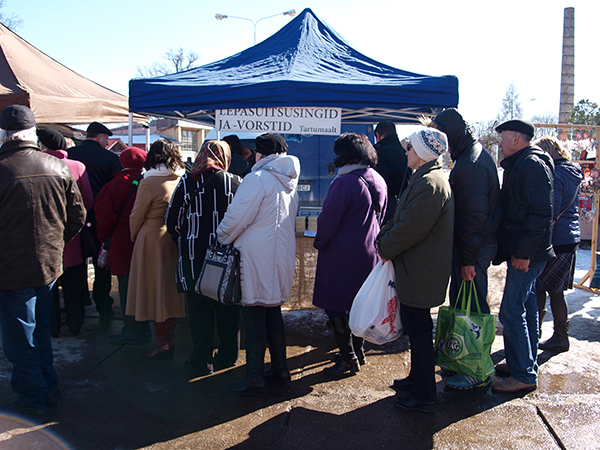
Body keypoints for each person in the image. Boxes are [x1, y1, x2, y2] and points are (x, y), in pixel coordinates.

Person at [0, 105, 86, 421]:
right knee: (38, 335)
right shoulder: (57, 167)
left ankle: (35, 396)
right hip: (48, 265)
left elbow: (77, 217)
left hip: (11, 271)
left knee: (21, 339)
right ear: (32, 133)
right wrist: (55, 243)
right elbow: (77, 217)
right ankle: (46, 389)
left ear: (5, 135)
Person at [421, 108, 502, 390]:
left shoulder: (472, 165)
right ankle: (465, 362)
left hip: (474, 252)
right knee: (465, 305)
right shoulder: (472, 158)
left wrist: (468, 259)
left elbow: (473, 218)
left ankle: (475, 371)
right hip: (473, 249)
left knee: (473, 310)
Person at [377, 127, 453, 414]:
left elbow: (410, 228)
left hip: (421, 270)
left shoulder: (430, 183)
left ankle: (425, 393)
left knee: (420, 331)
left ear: (422, 153)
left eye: (410, 148)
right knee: (416, 327)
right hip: (417, 267)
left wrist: (384, 246)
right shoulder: (424, 178)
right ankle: (417, 380)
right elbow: (404, 220)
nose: (405, 151)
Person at [217, 133, 300, 395]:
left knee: (254, 315)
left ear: (260, 154)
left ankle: (255, 376)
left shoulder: (257, 178)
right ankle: (280, 369)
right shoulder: (289, 181)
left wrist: (221, 237)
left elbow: (236, 217)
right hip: (279, 256)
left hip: (256, 257)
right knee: (272, 311)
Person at [312, 133, 387, 375]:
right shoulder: (377, 178)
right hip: (370, 253)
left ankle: (348, 358)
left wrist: (320, 242)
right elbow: (382, 216)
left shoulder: (344, 182)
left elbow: (327, 222)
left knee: (334, 305)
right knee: (359, 305)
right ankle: (358, 351)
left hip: (342, 256)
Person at [166, 140, 243, 376]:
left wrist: (189, 237)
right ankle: (229, 356)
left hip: (193, 257)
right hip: (227, 258)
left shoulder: (187, 182)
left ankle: (201, 361)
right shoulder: (237, 183)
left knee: (199, 314)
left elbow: (172, 222)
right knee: (228, 307)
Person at [491, 119, 554, 393]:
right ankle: (523, 364)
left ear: (517, 139)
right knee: (525, 308)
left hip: (527, 253)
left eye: (503, 137)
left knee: (511, 311)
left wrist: (523, 252)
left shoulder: (531, 165)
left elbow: (541, 213)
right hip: (525, 251)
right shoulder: (524, 164)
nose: (501, 143)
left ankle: (523, 375)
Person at [126, 139, 186, 358]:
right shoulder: (182, 178)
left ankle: (162, 342)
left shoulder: (148, 181)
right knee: (171, 292)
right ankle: (169, 338)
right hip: (175, 239)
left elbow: (136, 215)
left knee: (154, 293)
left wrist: (135, 236)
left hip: (151, 239)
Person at [39, 129, 94, 337]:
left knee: (48, 287)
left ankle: (52, 327)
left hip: (44, 236)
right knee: (72, 282)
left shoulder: (36, 165)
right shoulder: (77, 167)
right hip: (72, 235)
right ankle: (74, 322)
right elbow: (87, 202)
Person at [94, 146, 152, 345]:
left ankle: (132, 329)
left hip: (121, 242)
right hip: (145, 241)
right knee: (142, 286)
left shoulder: (112, 187)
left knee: (126, 287)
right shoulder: (148, 183)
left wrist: (104, 239)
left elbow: (103, 218)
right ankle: (143, 325)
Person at [68, 122, 122, 320]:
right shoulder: (109, 158)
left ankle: (79, 305)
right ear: (100, 137)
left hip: (73, 217)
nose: (107, 143)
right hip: (101, 217)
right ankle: (103, 303)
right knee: (102, 263)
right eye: (106, 139)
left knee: (76, 263)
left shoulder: (69, 154)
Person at [534, 136, 582, 353]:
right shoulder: (573, 172)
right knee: (556, 291)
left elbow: (553, 207)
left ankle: (537, 334)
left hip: (555, 238)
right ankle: (560, 336)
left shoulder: (556, 173)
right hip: (570, 238)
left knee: (541, 288)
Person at [374, 120, 411, 223]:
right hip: (403, 206)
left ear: (378, 135)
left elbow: (378, 186)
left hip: (384, 208)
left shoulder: (381, 153)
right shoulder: (405, 153)